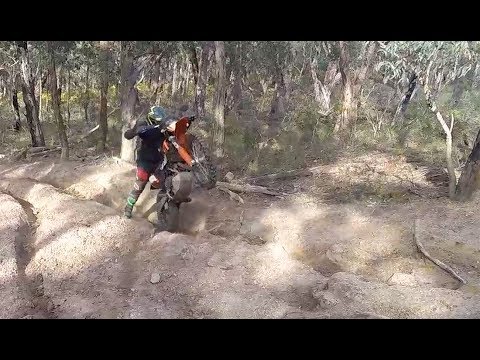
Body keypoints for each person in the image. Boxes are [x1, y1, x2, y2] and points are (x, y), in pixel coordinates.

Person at [123, 105, 170, 219]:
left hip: (159, 161)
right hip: (145, 161)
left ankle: (167, 211)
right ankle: (128, 208)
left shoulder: (164, 126)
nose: (158, 123)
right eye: (156, 121)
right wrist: (135, 131)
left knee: (168, 183)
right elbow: (130, 134)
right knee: (139, 185)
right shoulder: (143, 124)